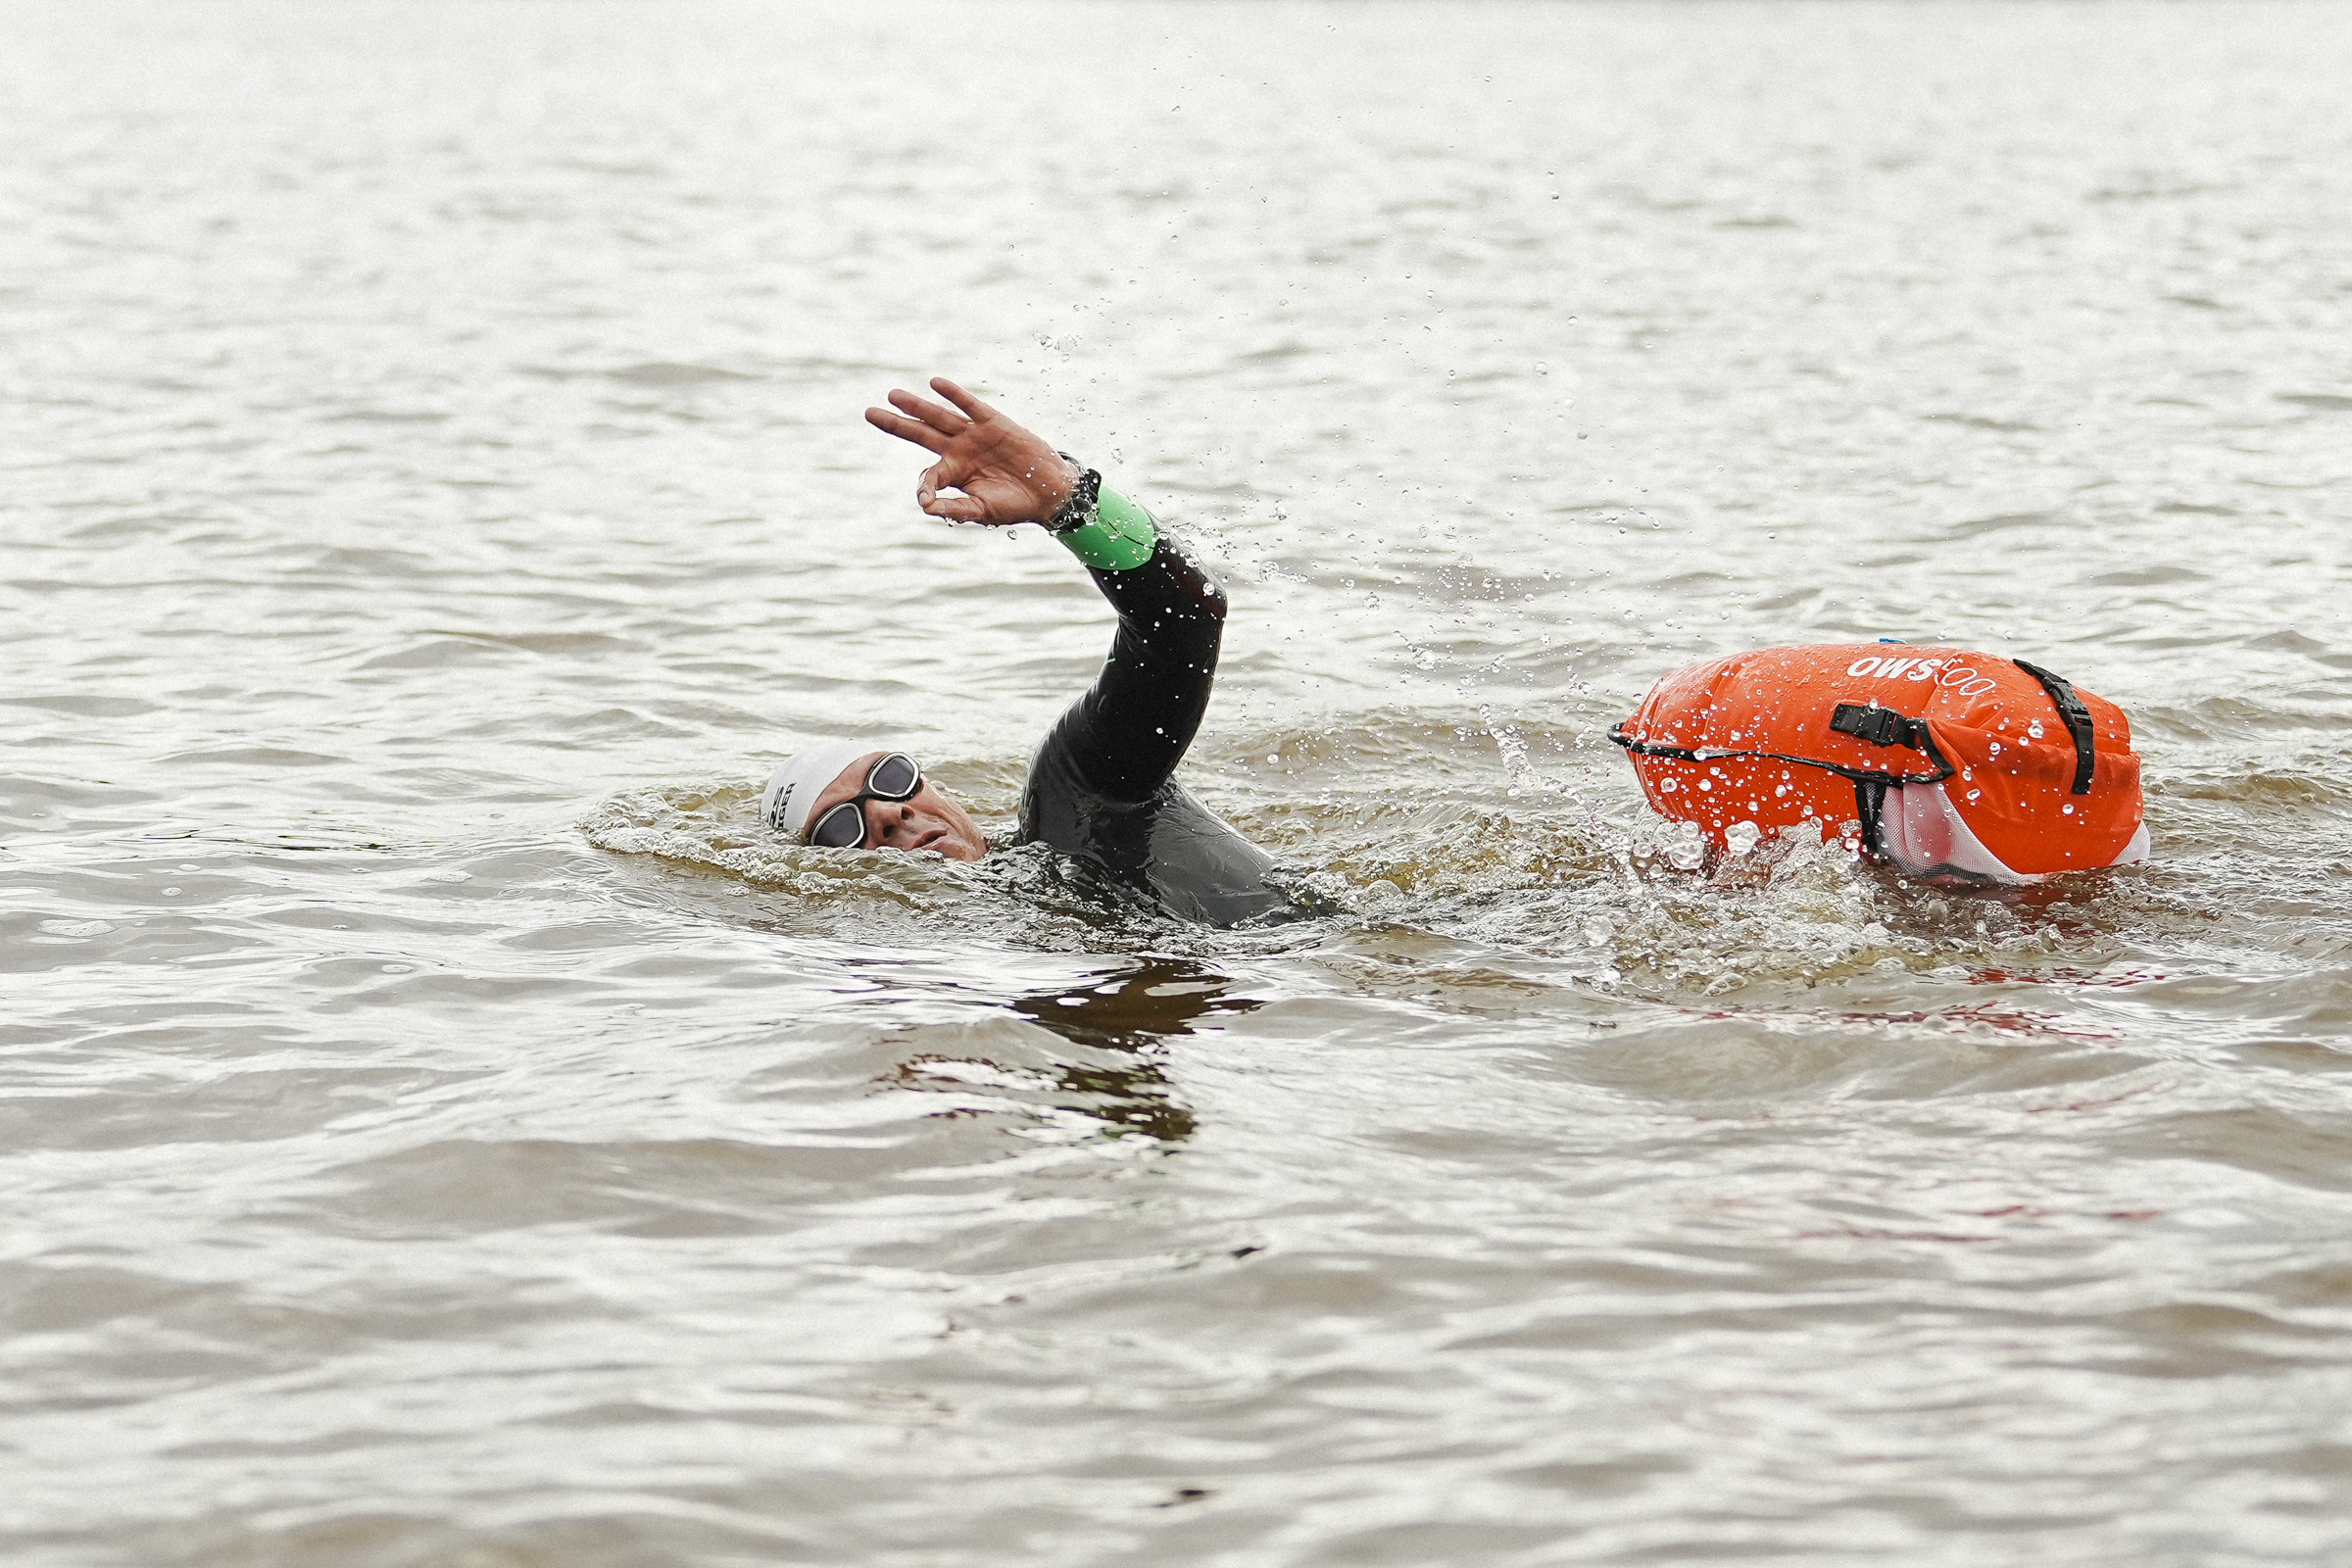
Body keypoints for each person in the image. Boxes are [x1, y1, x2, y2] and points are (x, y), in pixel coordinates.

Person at [758, 377, 1294, 927]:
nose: (889, 812)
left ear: (931, 783)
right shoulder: (980, 943)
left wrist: (1070, 501)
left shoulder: (1077, 798)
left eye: (890, 777)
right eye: (841, 827)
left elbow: (1184, 620)